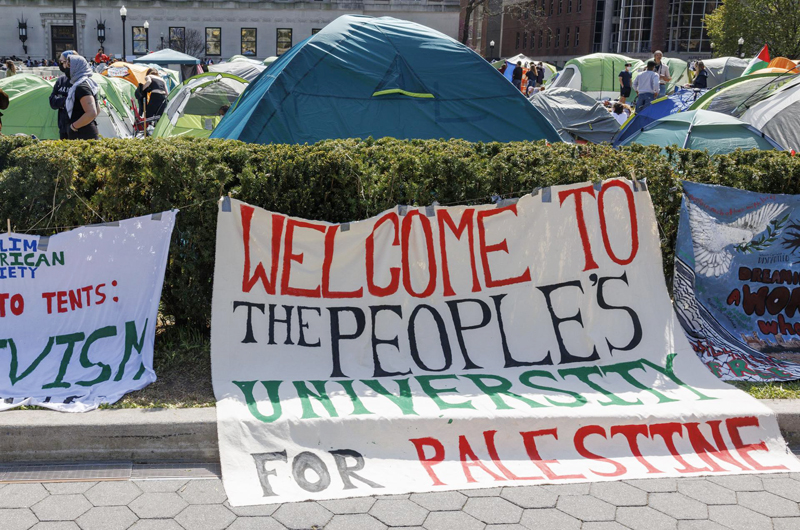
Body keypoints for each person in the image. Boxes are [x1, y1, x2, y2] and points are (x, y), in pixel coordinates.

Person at [65, 54, 100, 140]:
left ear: (77, 67)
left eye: (69, 66)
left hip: (83, 134)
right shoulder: (88, 83)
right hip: (85, 131)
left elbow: (91, 112)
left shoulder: (82, 87)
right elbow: (98, 109)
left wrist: (73, 127)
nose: (66, 68)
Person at [50, 51, 75, 140]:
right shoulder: (60, 80)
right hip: (63, 126)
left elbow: (76, 102)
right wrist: (66, 100)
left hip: (76, 126)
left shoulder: (79, 80)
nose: (61, 65)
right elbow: (52, 101)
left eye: (62, 62)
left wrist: (61, 100)